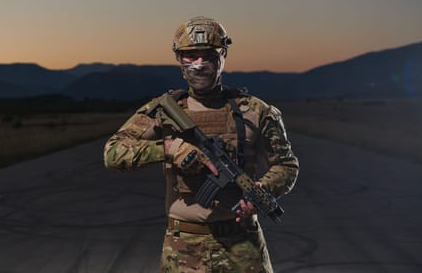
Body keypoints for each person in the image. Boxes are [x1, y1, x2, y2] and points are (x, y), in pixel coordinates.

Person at [103, 16, 299, 272]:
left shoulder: (256, 111)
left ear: (222, 55)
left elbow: (286, 165)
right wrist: (169, 149)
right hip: (183, 246)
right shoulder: (165, 110)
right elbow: (113, 152)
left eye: (207, 55)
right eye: (190, 56)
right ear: (179, 60)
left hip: (242, 242)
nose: (198, 64)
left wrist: (264, 189)